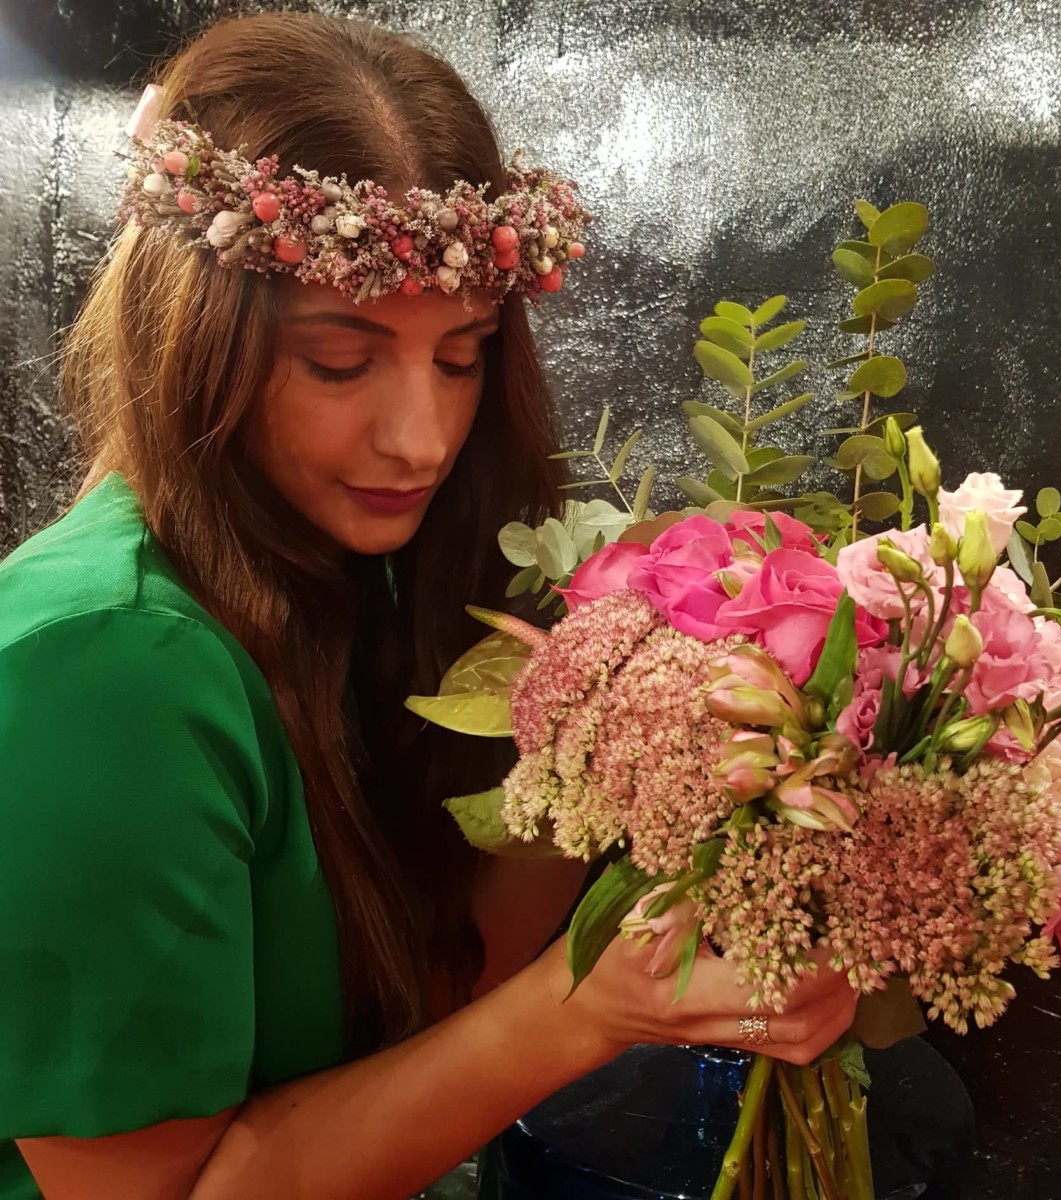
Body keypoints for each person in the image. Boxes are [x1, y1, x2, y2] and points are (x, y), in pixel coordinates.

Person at [0, 12, 856, 1200]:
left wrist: (622, 743)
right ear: (191, 338)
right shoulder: (99, 667)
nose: (421, 441)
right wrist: (587, 1008)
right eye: (339, 363)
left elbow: (436, 998)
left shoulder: (373, 567)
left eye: (461, 357)